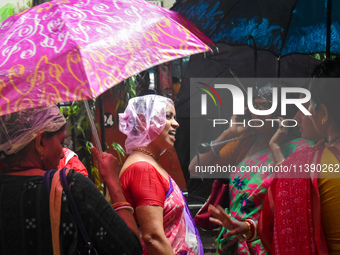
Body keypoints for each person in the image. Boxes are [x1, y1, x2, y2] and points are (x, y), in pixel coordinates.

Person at [0, 105, 142, 255]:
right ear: (41, 141)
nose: (62, 154)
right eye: (61, 143)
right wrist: (113, 182)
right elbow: (130, 250)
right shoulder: (72, 187)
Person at [189, 82, 313, 254]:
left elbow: (292, 195)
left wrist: (275, 146)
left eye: (265, 106)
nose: (258, 112)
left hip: (269, 241)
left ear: (280, 112)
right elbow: (195, 168)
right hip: (232, 239)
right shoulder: (242, 142)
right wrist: (229, 133)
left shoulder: (299, 148)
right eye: (255, 106)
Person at [258, 58, 340, 254]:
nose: (298, 117)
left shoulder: (306, 163)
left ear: (324, 114)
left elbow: (269, 226)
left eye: (308, 106)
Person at [118, 94, 203, 255]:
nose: (176, 124)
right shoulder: (144, 169)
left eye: (175, 117)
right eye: (168, 116)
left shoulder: (148, 163)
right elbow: (153, 238)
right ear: (143, 122)